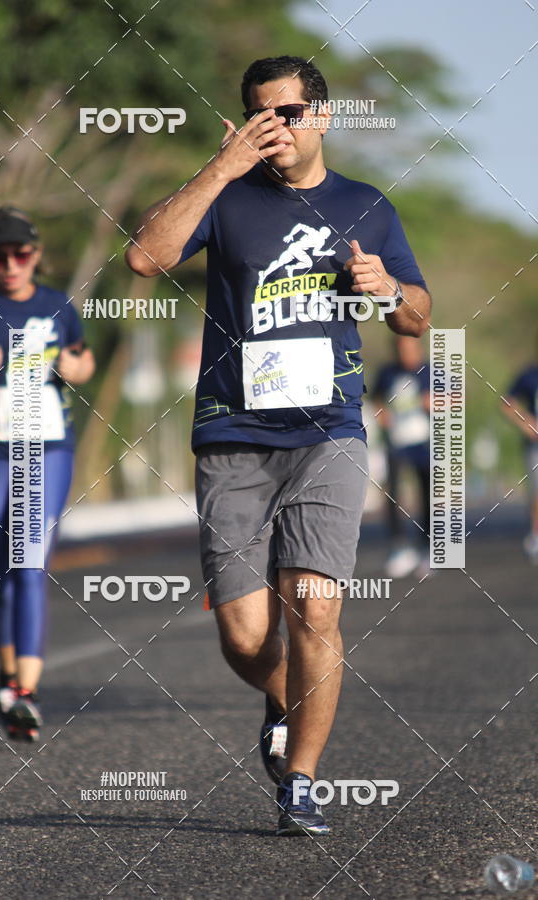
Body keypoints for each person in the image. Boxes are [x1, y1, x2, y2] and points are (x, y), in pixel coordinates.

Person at [126, 56, 431, 835]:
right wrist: (219, 168)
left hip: (328, 430)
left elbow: (416, 315)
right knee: (244, 636)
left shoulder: (367, 206)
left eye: (290, 113)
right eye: (261, 115)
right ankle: (280, 698)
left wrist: (388, 292)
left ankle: (301, 777)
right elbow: (145, 256)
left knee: (315, 609)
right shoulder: (227, 199)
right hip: (233, 432)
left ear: (322, 117)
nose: (277, 129)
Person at [0, 206, 94, 741]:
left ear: (36, 256)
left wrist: (76, 368)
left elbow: (83, 357)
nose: (10, 264)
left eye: (20, 254)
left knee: (28, 562)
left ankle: (25, 692)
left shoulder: (57, 305)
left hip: (45, 448)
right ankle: (9, 678)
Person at [372, 335, 431, 578]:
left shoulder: (431, 372)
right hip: (396, 443)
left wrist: (438, 402)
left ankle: (427, 549)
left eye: (411, 348)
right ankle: (399, 547)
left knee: (427, 495)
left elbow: (457, 398)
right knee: (393, 494)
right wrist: (382, 413)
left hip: (425, 442)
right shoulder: (387, 373)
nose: (407, 353)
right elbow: (376, 400)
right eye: (402, 348)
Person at [502, 359, 538, 562]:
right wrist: (526, 423)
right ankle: (536, 535)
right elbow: (506, 403)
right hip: (535, 445)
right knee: (537, 490)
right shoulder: (529, 375)